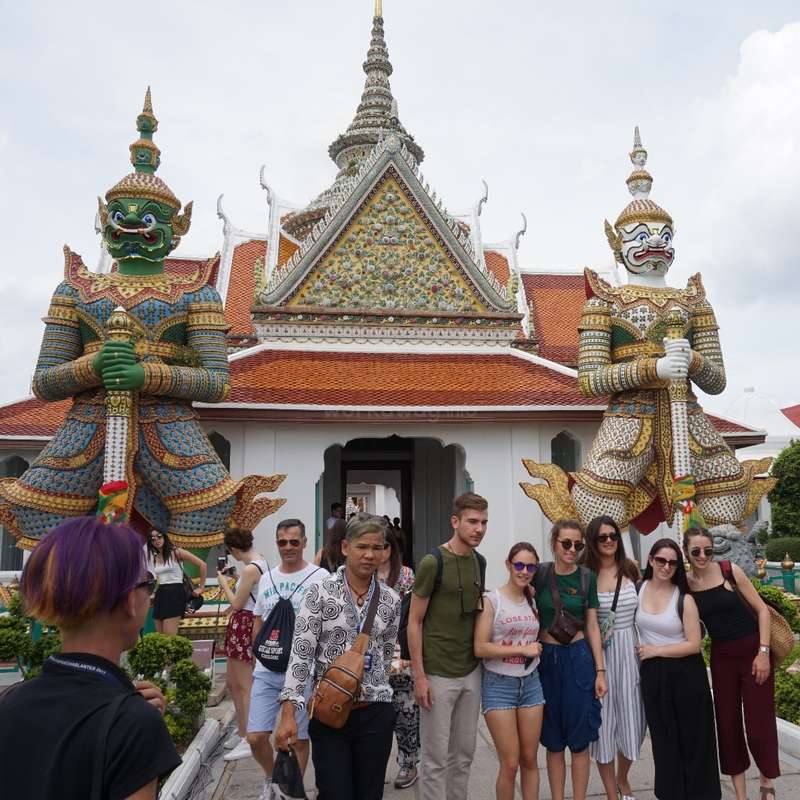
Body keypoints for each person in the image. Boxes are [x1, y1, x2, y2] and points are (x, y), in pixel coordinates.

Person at [0, 516, 181, 799]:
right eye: (149, 583)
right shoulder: (131, 722)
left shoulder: (9, 701)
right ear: (128, 601)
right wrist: (137, 731)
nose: (151, 595)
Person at [275, 515, 402, 800]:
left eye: (377, 548)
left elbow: (385, 656)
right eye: (362, 547)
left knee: (369, 795)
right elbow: (300, 655)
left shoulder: (391, 600)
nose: (370, 555)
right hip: (329, 712)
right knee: (334, 793)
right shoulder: (318, 593)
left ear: (384, 551)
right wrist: (288, 715)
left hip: (376, 713)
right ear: (345, 547)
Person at [685, 527, 779, 800]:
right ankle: (741, 795)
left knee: (759, 727)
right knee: (728, 727)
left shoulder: (729, 570)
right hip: (722, 658)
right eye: (696, 551)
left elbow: (761, 610)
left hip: (753, 652)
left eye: (708, 550)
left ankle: (766, 781)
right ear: (687, 553)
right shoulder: (687, 584)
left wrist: (763, 652)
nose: (703, 556)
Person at [407, 492, 489, 800]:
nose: (479, 528)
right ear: (455, 522)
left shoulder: (479, 562)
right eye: (472, 522)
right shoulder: (433, 562)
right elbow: (414, 621)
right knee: (435, 758)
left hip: (471, 670)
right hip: (438, 672)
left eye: (483, 522)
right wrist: (420, 676)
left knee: (464, 754)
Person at [247, 518, 327, 800]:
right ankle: (274, 779)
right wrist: (258, 651)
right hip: (267, 669)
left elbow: (328, 625)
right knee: (255, 737)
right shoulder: (267, 577)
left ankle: (291, 791)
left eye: (294, 541)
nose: (289, 547)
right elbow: (259, 617)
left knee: (299, 738)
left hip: (304, 670)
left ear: (305, 542)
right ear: (276, 543)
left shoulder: (321, 578)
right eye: (282, 542)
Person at [637, 538, 720, 800]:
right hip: (653, 677)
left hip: (686, 675)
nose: (666, 566)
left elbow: (694, 645)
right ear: (650, 560)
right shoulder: (636, 589)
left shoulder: (684, 599)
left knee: (695, 742)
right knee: (663, 743)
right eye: (661, 560)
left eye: (672, 562)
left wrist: (656, 651)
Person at [532, 519, 606, 800]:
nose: (572, 549)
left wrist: (600, 671)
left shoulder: (587, 577)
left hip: (578, 658)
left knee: (579, 739)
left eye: (577, 544)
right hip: (547, 659)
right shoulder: (540, 574)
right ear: (554, 543)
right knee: (552, 740)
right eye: (566, 543)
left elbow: (593, 626)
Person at [474, 542, 544, 800]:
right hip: (499, 685)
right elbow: (480, 647)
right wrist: (521, 651)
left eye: (530, 566)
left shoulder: (532, 598)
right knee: (510, 763)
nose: (524, 571)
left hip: (531, 684)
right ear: (508, 565)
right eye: (519, 565)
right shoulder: (492, 600)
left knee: (530, 759)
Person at [583, 516, 645, 800]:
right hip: (599, 655)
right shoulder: (585, 573)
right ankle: (611, 792)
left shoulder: (631, 570)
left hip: (630, 651)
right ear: (592, 542)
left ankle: (623, 777)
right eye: (602, 537)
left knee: (633, 720)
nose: (609, 541)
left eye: (613, 536)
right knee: (603, 723)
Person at [218, 527, 268, 762]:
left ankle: (250, 738)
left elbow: (237, 603)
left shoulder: (250, 568)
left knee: (244, 684)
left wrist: (223, 583)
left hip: (244, 623)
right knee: (232, 682)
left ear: (235, 549)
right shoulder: (260, 561)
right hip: (244, 623)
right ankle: (242, 731)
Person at [376, 526, 419, 790]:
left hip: (400, 660)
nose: (378, 552)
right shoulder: (361, 575)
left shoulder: (404, 576)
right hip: (371, 662)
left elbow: (412, 618)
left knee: (405, 715)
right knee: (376, 718)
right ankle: (374, 766)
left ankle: (408, 763)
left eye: (384, 546)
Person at [146, 529, 207, 635]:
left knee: (169, 636)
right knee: (160, 636)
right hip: (161, 593)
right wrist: (153, 593)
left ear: (164, 537)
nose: (156, 540)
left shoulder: (176, 552)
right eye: (153, 539)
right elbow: (160, 578)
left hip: (175, 592)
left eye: (159, 536)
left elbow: (202, 565)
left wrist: (201, 587)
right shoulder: (156, 557)